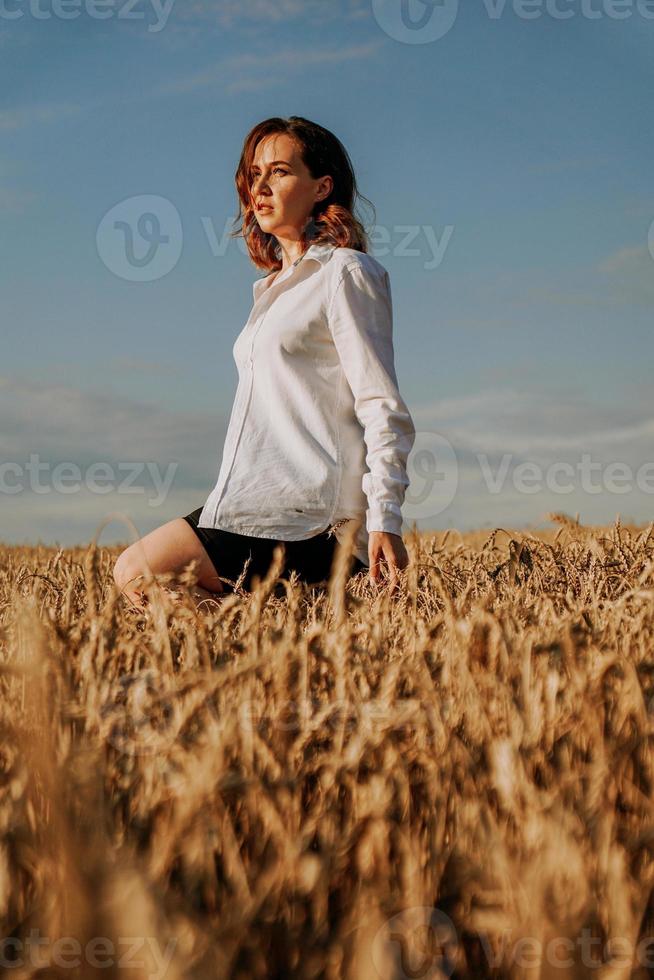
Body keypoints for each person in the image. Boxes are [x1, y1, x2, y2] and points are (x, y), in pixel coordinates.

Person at [113, 116, 415, 609]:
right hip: (248, 503)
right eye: (254, 175)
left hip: (312, 517)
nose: (260, 187)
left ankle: (267, 646)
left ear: (322, 187)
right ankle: (274, 648)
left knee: (136, 572)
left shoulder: (344, 273)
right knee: (141, 579)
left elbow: (382, 405)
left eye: (278, 172)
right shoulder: (271, 291)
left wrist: (384, 518)